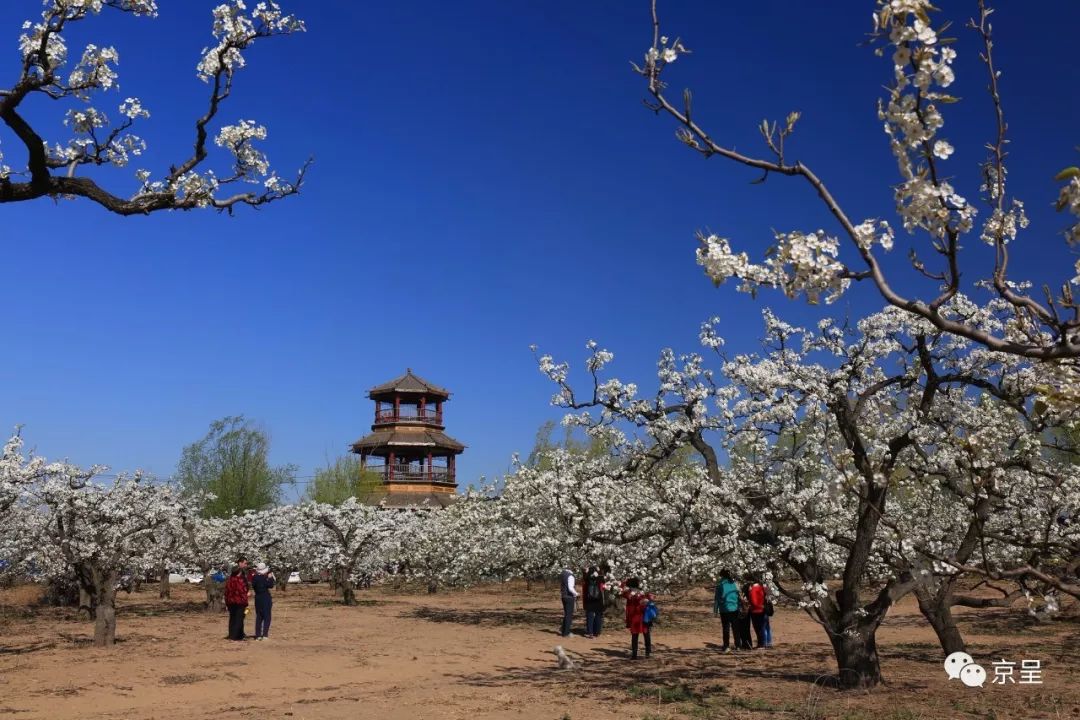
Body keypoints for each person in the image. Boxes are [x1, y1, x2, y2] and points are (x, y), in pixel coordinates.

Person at [621, 577, 654, 660]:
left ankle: (635, 654)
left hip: (635, 616)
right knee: (646, 634)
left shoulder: (629, 593)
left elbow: (621, 591)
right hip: (642, 616)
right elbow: (649, 599)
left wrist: (623, 582)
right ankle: (647, 652)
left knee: (635, 635)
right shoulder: (641, 592)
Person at [712, 569, 740, 653]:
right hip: (734, 608)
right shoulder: (734, 583)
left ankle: (726, 646)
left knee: (726, 628)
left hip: (724, 609)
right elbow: (738, 595)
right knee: (735, 628)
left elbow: (717, 598)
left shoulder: (720, 584)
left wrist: (715, 610)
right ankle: (738, 645)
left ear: (722, 576)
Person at [251, 562, 276, 641]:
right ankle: (265, 634)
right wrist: (270, 577)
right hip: (265, 597)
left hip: (257, 597)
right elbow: (270, 585)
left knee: (259, 616)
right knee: (267, 616)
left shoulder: (254, 578)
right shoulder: (264, 578)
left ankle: (258, 635)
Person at [224, 567, 249, 641]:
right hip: (239, 602)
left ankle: (232, 634)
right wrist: (246, 596)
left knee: (232, 619)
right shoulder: (239, 581)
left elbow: (226, 592)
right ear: (239, 573)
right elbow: (242, 591)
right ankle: (236, 636)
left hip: (230, 602)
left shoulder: (229, 580)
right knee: (239, 619)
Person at [583, 565, 606, 638]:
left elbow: (585, 578)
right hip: (598, 599)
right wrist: (599, 572)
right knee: (598, 615)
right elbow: (604, 582)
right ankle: (597, 632)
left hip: (590, 599)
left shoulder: (587, 578)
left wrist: (585, 572)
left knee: (590, 616)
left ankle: (590, 632)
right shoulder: (600, 578)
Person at [747, 576, 768, 648]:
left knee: (758, 628)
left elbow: (753, 601)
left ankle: (761, 644)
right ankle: (763, 643)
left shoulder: (753, 590)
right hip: (762, 610)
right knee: (762, 627)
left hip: (756, 611)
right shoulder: (762, 588)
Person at [559, 567, 578, 637]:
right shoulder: (570, 576)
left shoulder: (563, 574)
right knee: (569, 615)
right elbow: (570, 588)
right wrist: (576, 593)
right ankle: (566, 632)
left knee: (566, 614)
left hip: (563, 596)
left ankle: (564, 630)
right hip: (569, 597)